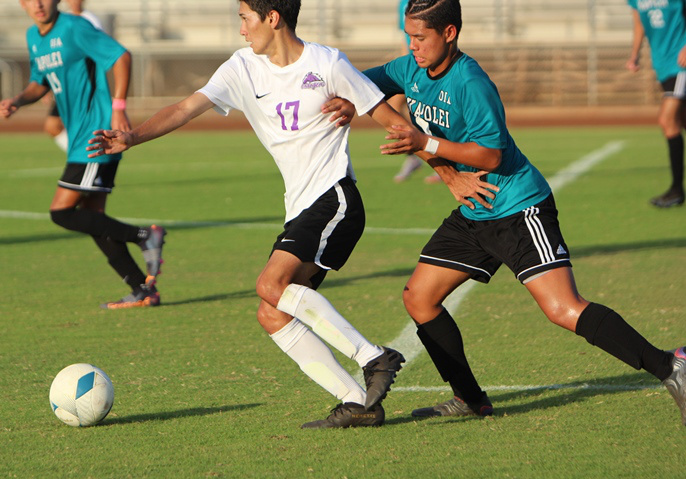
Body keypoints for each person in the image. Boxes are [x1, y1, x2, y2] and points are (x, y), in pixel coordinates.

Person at [85, 0, 483, 429]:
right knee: (271, 312)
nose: (242, 30)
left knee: (269, 284)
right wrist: (132, 137)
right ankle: (357, 402)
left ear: (272, 18)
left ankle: (374, 357)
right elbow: (184, 108)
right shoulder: (241, 67)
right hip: (300, 210)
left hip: (335, 200)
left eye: (245, 19)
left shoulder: (327, 63)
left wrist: (448, 175)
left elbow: (394, 123)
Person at [327, 0, 686, 425]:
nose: (413, 45)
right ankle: (469, 398)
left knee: (563, 309)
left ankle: (671, 365)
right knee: (419, 298)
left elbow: (491, 157)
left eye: (421, 37)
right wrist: (349, 101)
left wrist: (425, 144)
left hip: (519, 206)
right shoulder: (408, 68)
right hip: (476, 209)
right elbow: (361, 85)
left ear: (449, 33)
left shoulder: (471, 82)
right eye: (409, 36)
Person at [0, 0, 166, 309]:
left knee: (62, 213)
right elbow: (39, 82)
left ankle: (144, 235)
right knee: (94, 220)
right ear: (21, 4)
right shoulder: (33, 37)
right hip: (79, 137)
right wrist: (17, 101)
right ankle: (142, 289)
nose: (38, 4)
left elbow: (121, 56)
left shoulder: (74, 27)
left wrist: (118, 108)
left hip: (97, 136)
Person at [626, 0, 686, 208]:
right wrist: (634, 54)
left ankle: (676, 190)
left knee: (667, 120)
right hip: (662, 65)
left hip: (680, 65)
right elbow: (639, 23)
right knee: (680, 121)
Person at [391, 0, 442, 185]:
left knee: (436, 111)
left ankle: (444, 162)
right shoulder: (403, 3)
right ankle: (414, 156)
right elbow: (406, 37)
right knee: (393, 107)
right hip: (412, 63)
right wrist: (404, 64)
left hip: (429, 62)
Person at [43, 0, 104, 153]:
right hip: (65, 83)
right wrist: (49, 85)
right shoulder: (63, 20)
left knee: (81, 127)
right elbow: (57, 55)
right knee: (52, 126)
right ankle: (83, 155)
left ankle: (90, 157)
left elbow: (98, 51)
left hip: (83, 82)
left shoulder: (90, 20)